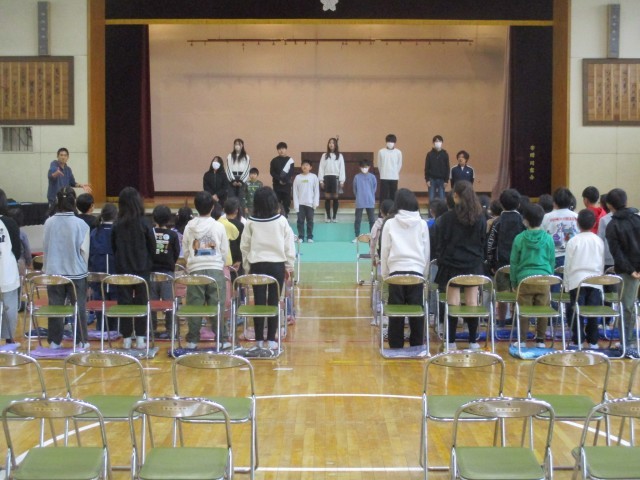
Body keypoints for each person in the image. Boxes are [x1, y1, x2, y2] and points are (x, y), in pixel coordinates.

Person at [240, 187, 295, 350]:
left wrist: (247, 267)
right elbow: (289, 245)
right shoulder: (281, 221)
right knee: (274, 301)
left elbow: (245, 247)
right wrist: (289, 266)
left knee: (258, 302)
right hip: (277, 265)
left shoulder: (250, 221)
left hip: (257, 265)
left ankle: (258, 340)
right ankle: (271, 339)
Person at [434, 180, 486, 350]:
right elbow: (482, 242)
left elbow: (441, 242)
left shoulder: (446, 218)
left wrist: (442, 258)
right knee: (472, 301)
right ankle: (472, 341)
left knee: (453, 302)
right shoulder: (480, 217)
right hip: (473, 265)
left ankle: (450, 342)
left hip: (451, 265)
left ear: (455, 196)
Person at [380, 189, 430, 349]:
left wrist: (385, 275)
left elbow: (385, 251)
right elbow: (426, 252)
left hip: (395, 273)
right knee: (417, 310)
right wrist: (424, 275)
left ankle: (396, 345)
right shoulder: (422, 224)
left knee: (395, 311)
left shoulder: (389, 223)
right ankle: (417, 344)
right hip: (417, 273)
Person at [43, 186, 91, 349]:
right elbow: (84, 252)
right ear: (74, 201)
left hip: (54, 272)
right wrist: (84, 269)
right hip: (76, 272)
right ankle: (82, 341)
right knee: (79, 307)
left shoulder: (49, 222)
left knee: (55, 306)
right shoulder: (81, 224)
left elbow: (46, 247)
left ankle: (54, 341)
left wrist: (47, 268)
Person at [182, 191, 229, 350]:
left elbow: (186, 250)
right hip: (215, 269)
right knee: (217, 305)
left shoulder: (189, 226)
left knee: (194, 306)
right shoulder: (219, 226)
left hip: (195, 269)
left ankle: (192, 341)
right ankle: (222, 339)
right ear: (212, 207)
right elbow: (224, 250)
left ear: (196, 207)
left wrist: (192, 263)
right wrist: (218, 262)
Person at [111, 187, 156, 349]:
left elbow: (113, 247)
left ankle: (127, 338)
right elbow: (152, 246)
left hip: (123, 268)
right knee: (142, 302)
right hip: (142, 269)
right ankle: (141, 338)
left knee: (124, 303)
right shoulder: (145, 222)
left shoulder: (117, 224)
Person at [510, 203, 555, 348]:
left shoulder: (519, 238)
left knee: (523, 310)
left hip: (525, 280)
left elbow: (514, 262)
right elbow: (551, 260)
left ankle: (522, 340)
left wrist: (513, 282)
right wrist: (550, 277)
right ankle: (540, 340)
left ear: (525, 221)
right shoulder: (548, 238)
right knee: (543, 310)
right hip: (544, 279)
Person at [564, 209, 604, 348]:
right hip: (595, 281)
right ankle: (593, 341)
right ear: (594, 223)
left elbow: (568, 265)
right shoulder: (598, 240)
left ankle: (578, 340)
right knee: (593, 312)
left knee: (576, 312)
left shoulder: (573, 241)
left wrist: (566, 284)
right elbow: (601, 263)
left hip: (576, 282)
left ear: (577, 223)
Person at [605, 188, 640, 349]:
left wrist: (631, 270)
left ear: (609, 205)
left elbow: (616, 253)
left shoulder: (612, 225)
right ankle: (628, 341)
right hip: (634, 269)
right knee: (629, 307)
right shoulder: (638, 218)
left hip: (628, 272)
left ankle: (628, 343)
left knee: (627, 307)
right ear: (625, 201)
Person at [485, 189, 526, 325]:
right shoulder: (523, 222)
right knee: (518, 292)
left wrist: (490, 263)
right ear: (518, 204)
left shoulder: (497, 222)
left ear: (501, 204)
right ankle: (515, 320)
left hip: (500, 264)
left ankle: (501, 320)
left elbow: (490, 244)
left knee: (502, 294)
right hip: (520, 264)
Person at [150, 205, 180, 339]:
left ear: (153, 218)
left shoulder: (149, 233)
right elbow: (176, 252)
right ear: (169, 219)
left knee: (151, 303)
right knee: (169, 303)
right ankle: (171, 330)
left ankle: (151, 329)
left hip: (151, 273)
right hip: (167, 273)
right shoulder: (173, 235)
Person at [88, 203, 117, 331]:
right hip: (115, 274)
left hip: (98, 274)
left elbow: (89, 255)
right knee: (115, 305)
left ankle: (101, 330)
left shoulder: (95, 232)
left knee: (100, 304)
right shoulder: (118, 232)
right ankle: (115, 331)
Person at [0, 188, 21, 346]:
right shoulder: (10, 223)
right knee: (9, 305)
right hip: (7, 269)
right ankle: (9, 339)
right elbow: (17, 250)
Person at [318, 137, 346, 223]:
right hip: (326, 177)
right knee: (327, 198)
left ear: (336, 145)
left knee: (335, 198)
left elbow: (342, 168)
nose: (331, 144)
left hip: (336, 178)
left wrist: (342, 181)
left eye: (333, 143)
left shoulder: (340, 156)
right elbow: (321, 168)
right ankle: (328, 216)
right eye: (330, 142)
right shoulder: (324, 155)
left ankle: (334, 216)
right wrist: (321, 180)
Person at [292, 159, 320, 243]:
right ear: (301, 167)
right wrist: (296, 205)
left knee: (310, 221)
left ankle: (309, 237)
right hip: (300, 204)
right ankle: (301, 237)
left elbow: (316, 191)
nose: (305, 166)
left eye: (307, 165)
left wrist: (315, 203)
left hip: (310, 204)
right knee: (300, 221)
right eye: (303, 165)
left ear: (310, 167)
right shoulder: (298, 177)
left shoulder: (314, 177)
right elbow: (295, 191)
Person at [352, 159, 377, 242]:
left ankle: (372, 237)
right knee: (357, 220)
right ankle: (356, 236)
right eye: (362, 167)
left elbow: (374, 188)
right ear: (360, 167)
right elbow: (355, 189)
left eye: (366, 167)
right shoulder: (357, 177)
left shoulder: (372, 177)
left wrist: (370, 195)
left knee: (372, 220)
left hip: (370, 201)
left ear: (369, 167)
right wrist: (358, 196)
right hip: (360, 201)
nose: (364, 168)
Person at [269, 142, 295, 217]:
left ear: (286, 149)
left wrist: (285, 180)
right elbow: (272, 172)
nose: (281, 150)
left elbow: (291, 172)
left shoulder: (290, 160)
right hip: (277, 185)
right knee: (277, 201)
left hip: (287, 185)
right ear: (277, 150)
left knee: (287, 201)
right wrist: (279, 179)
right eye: (279, 149)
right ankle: (277, 216)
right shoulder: (274, 160)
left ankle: (285, 215)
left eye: (283, 148)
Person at [377, 134, 402, 205]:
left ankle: (393, 210)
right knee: (383, 195)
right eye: (388, 141)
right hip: (384, 176)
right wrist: (382, 173)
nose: (390, 143)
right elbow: (379, 164)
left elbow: (399, 164)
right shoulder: (381, 151)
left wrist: (395, 172)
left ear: (395, 142)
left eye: (392, 141)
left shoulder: (398, 152)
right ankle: (382, 210)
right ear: (386, 142)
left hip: (394, 177)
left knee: (393, 195)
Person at [424, 135, 449, 204]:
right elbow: (426, 168)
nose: (438, 143)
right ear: (433, 143)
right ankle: (431, 211)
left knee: (442, 198)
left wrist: (446, 180)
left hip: (442, 179)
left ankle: (442, 211)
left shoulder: (445, 154)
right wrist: (427, 179)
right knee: (431, 198)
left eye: (439, 141)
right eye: (436, 141)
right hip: (432, 179)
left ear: (442, 142)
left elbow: (447, 168)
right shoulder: (429, 154)